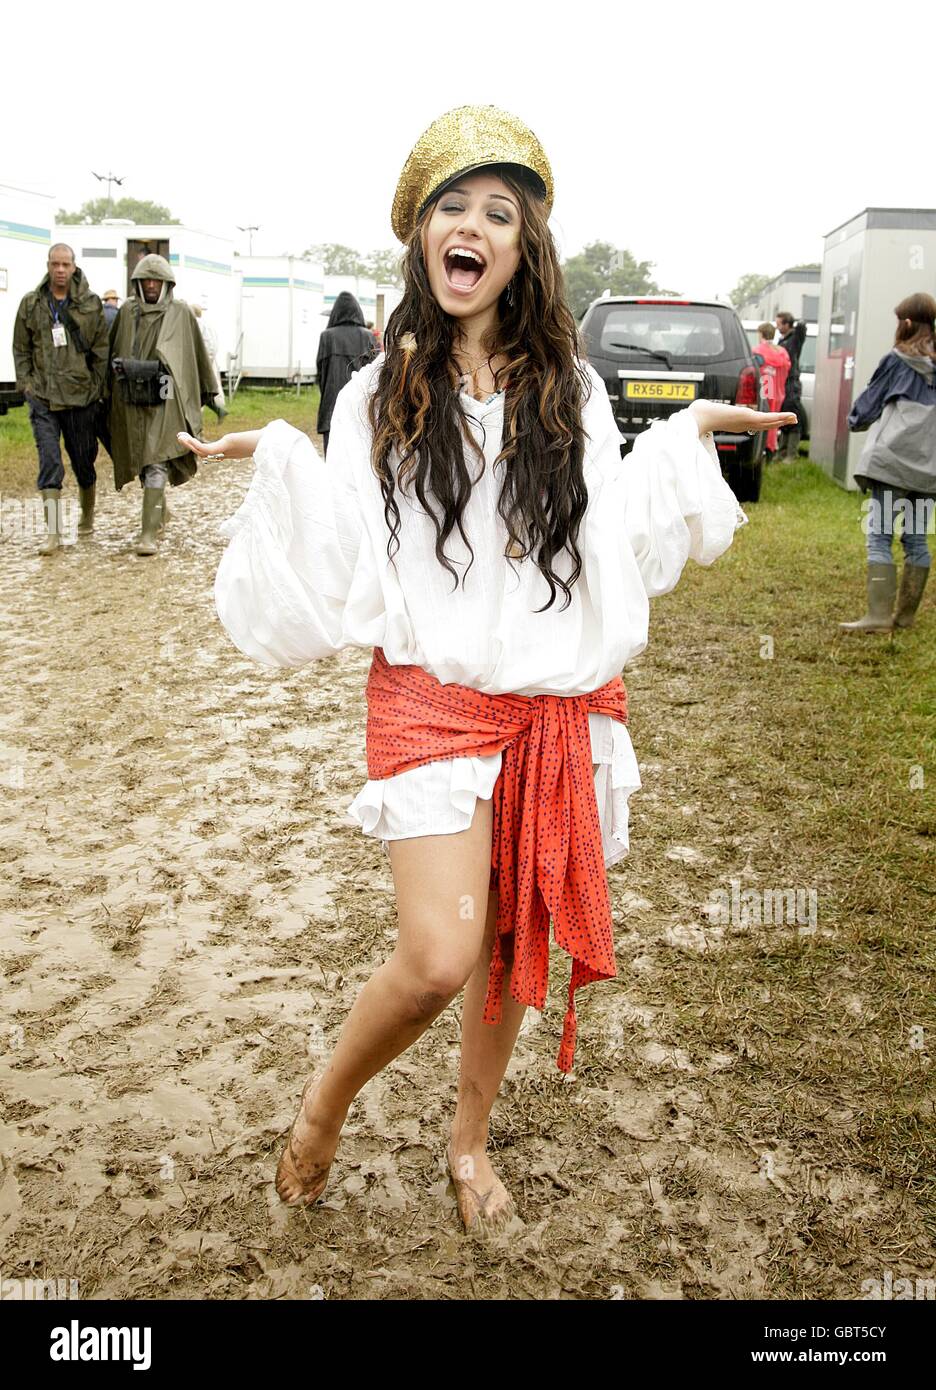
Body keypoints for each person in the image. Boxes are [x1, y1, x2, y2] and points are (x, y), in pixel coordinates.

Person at [180, 105, 793, 1230]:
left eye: (496, 212)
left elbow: (609, 528)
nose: (471, 227)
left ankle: (468, 1145)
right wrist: (277, 451)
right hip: (429, 699)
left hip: (546, 708)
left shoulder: (572, 389)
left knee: (509, 948)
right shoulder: (379, 391)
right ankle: (323, 1108)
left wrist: (682, 438)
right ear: (422, 238)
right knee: (432, 956)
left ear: (525, 245)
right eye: (450, 208)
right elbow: (350, 539)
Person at [107, 254, 220, 556]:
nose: (152, 285)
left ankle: (148, 534)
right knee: (142, 461)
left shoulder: (180, 313)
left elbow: (195, 357)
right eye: (146, 280)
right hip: (132, 399)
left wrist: (210, 395)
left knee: (157, 458)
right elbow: (111, 352)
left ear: (167, 283)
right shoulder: (127, 312)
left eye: (157, 280)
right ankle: (159, 513)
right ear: (138, 283)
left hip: (166, 400)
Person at [839, 292, 936, 633]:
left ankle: (879, 617)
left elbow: (867, 407)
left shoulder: (898, 360)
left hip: (894, 463)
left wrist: (855, 420)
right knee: (916, 538)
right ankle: (905, 617)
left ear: (906, 323)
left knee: (879, 536)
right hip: (930, 469)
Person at [12, 242, 109, 554]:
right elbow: (21, 349)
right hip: (43, 398)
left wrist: (95, 388)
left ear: (74, 266)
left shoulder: (90, 304)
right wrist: (27, 384)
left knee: (83, 461)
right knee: (50, 463)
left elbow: (101, 351)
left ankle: (87, 516)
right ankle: (53, 533)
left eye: (66, 265)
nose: (60, 271)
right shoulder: (32, 303)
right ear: (48, 265)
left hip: (81, 399)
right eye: (55, 264)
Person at [315, 292, 377, 456]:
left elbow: (321, 374)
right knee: (359, 463)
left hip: (331, 407)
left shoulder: (326, 337)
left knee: (333, 463)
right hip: (361, 409)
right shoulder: (368, 336)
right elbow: (375, 376)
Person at [751, 323, 790, 461]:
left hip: (764, 390)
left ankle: (761, 448)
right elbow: (787, 370)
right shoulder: (782, 352)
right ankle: (771, 449)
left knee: (761, 420)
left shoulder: (757, 351)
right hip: (778, 391)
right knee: (774, 421)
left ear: (761, 334)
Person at [775, 311, 807, 459]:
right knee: (784, 415)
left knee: (793, 415)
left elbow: (801, 329)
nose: (777, 327)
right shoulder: (782, 341)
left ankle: (792, 454)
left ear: (787, 324)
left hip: (792, 382)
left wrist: (799, 322)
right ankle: (782, 452)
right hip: (783, 381)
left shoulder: (795, 339)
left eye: (779, 323)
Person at [191, 302, 228, 418]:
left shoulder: (195, 323)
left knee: (197, 387)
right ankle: (219, 410)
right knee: (207, 386)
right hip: (209, 357)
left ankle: (210, 410)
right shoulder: (207, 324)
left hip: (201, 358)